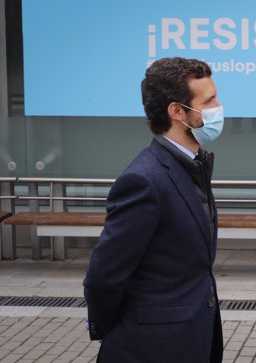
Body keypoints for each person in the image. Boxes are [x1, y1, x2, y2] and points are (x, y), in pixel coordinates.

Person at [83, 57, 225, 362]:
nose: (218, 106)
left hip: (191, 340)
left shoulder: (190, 165)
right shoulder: (144, 180)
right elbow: (103, 275)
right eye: (209, 100)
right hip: (151, 347)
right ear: (176, 111)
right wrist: (114, 328)